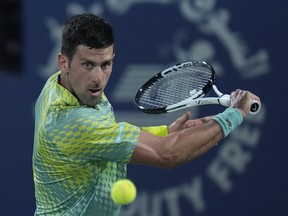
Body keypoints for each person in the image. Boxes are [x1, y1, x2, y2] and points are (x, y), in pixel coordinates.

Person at [32, 13, 261, 216]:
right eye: (88, 65)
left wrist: (166, 131)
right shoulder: (74, 122)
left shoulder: (58, 85)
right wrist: (235, 114)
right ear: (63, 62)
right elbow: (168, 155)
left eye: (106, 64)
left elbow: (104, 139)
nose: (98, 78)